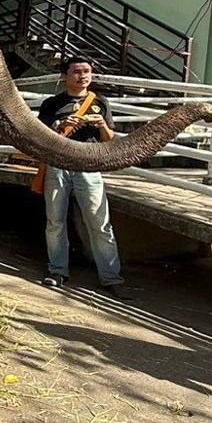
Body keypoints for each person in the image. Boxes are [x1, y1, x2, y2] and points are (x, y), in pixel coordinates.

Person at [38, 55, 131, 297]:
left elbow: (109, 140)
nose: (83, 76)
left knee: (100, 222)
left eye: (87, 71)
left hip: (89, 166)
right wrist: (60, 126)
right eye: (77, 71)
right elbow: (39, 136)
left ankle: (111, 277)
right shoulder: (51, 104)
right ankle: (57, 271)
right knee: (55, 221)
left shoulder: (100, 102)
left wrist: (101, 125)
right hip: (58, 164)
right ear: (64, 76)